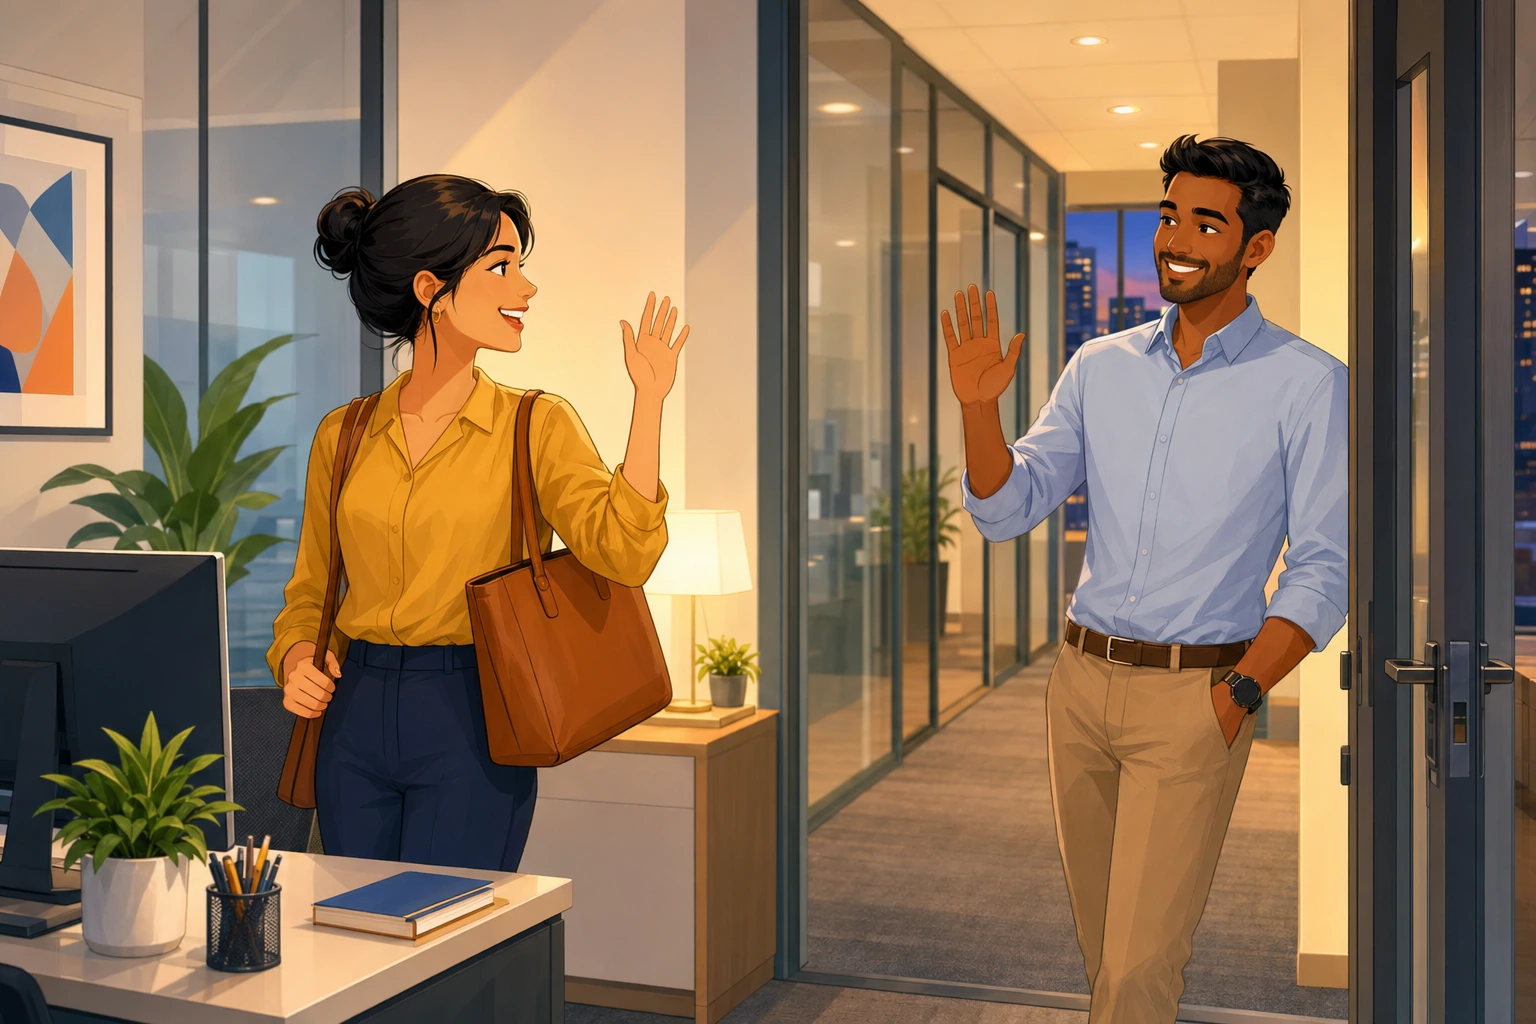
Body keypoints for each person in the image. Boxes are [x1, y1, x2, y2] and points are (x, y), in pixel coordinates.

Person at [945, 136, 1347, 1022]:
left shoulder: (1308, 384)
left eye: (1207, 224)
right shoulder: (1100, 366)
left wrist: (1238, 695)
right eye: (1170, 216)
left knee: (1137, 969)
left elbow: (1325, 568)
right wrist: (979, 411)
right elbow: (1009, 507)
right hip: (1079, 687)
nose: (1177, 240)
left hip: (1198, 696)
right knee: (1108, 956)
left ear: (1256, 247)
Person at [267, 174, 685, 872]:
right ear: (430, 289)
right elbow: (312, 590)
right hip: (353, 713)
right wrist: (297, 657)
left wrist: (650, 403)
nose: (526, 288)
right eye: (501, 267)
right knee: (354, 922)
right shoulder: (343, 434)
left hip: (472, 710)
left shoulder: (534, 424)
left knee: (448, 921)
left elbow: (624, 554)